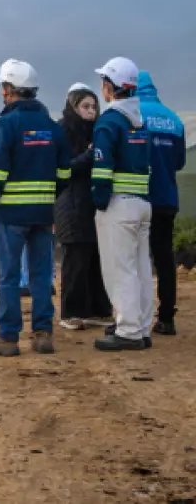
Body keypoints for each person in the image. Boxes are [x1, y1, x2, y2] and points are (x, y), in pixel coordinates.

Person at [0, 59, 71, 357]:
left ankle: (8, 338)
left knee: (8, 275)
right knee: (41, 274)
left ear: (9, 90)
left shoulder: (6, 124)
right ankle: (43, 334)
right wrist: (48, 196)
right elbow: (65, 173)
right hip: (43, 213)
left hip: (11, 214)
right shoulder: (51, 126)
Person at [91, 57, 154, 351]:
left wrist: (99, 202)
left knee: (121, 270)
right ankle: (141, 327)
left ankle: (128, 330)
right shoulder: (138, 121)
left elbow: (102, 171)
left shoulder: (109, 122)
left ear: (110, 87)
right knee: (141, 269)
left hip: (119, 206)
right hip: (142, 204)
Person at [54, 83, 113, 331]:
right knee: (76, 259)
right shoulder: (63, 132)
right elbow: (64, 168)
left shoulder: (99, 132)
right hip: (70, 203)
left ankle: (98, 309)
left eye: (93, 106)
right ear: (73, 107)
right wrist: (89, 156)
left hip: (93, 204)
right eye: (84, 106)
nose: (90, 111)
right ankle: (72, 312)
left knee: (96, 257)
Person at [138, 70, 186, 336]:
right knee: (164, 257)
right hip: (167, 197)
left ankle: (137, 317)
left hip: (139, 197)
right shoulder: (174, 119)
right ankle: (166, 317)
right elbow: (179, 162)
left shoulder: (135, 115)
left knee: (138, 258)